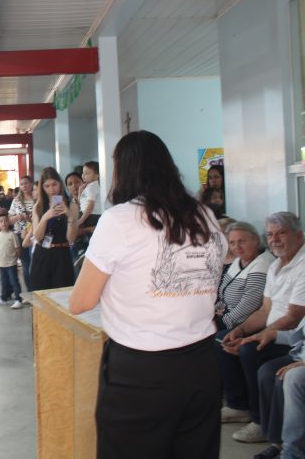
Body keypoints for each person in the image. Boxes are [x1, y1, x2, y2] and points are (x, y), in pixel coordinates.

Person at [68, 130, 228, 459]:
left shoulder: (120, 219)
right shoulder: (204, 216)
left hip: (142, 372)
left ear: (122, 170)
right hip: (202, 363)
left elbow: (80, 302)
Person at [219, 212, 305, 443]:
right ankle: (239, 406)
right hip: (273, 330)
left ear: (299, 235)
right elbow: (264, 311)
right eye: (270, 234)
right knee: (225, 339)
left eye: (281, 233)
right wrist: (240, 331)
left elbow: (294, 317)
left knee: (250, 350)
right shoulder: (276, 264)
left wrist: (256, 337)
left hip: (292, 337)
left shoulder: (302, 264)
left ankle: (258, 420)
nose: (274, 239)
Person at [246, 318, 304, 459]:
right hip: (299, 355)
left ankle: (291, 453)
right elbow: (299, 335)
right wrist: (273, 334)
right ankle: (277, 442)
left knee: (290, 378)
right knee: (266, 373)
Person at [215, 222, 274, 332]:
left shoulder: (262, 264)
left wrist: (217, 324)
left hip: (243, 326)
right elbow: (223, 297)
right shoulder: (239, 259)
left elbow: (247, 307)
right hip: (224, 317)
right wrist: (212, 313)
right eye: (232, 243)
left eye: (241, 241)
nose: (236, 247)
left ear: (256, 240)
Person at [30, 168, 78, 291]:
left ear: (60, 184)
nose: (51, 189)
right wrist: (45, 218)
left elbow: (71, 238)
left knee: (62, 294)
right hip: (42, 253)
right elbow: (38, 237)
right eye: (47, 186)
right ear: (42, 188)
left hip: (62, 254)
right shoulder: (38, 206)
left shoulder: (71, 205)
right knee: (40, 294)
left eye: (54, 184)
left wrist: (69, 216)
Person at [0, 214, 25, 309]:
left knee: (14, 281)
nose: (4, 223)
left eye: (6, 220)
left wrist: (15, 258)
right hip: (1, 263)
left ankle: (18, 299)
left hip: (11, 263)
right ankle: (3, 298)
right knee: (3, 282)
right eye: (1, 221)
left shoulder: (12, 235)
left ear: (9, 222)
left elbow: (18, 248)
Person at [9, 176, 34, 289]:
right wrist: (19, 216)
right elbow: (9, 219)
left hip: (34, 233)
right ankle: (30, 290)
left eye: (26, 183)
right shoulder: (16, 200)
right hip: (20, 234)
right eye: (22, 184)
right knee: (26, 264)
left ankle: (38, 288)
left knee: (36, 262)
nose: (24, 186)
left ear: (31, 184)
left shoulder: (37, 197)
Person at [77, 161, 102, 230]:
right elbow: (81, 203)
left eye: (87, 173)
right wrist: (80, 192)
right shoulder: (90, 186)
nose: (83, 175)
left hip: (91, 216)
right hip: (89, 215)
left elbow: (90, 206)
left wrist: (81, 220)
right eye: (83, 173)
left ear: (97, 175)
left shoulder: (91, 187)